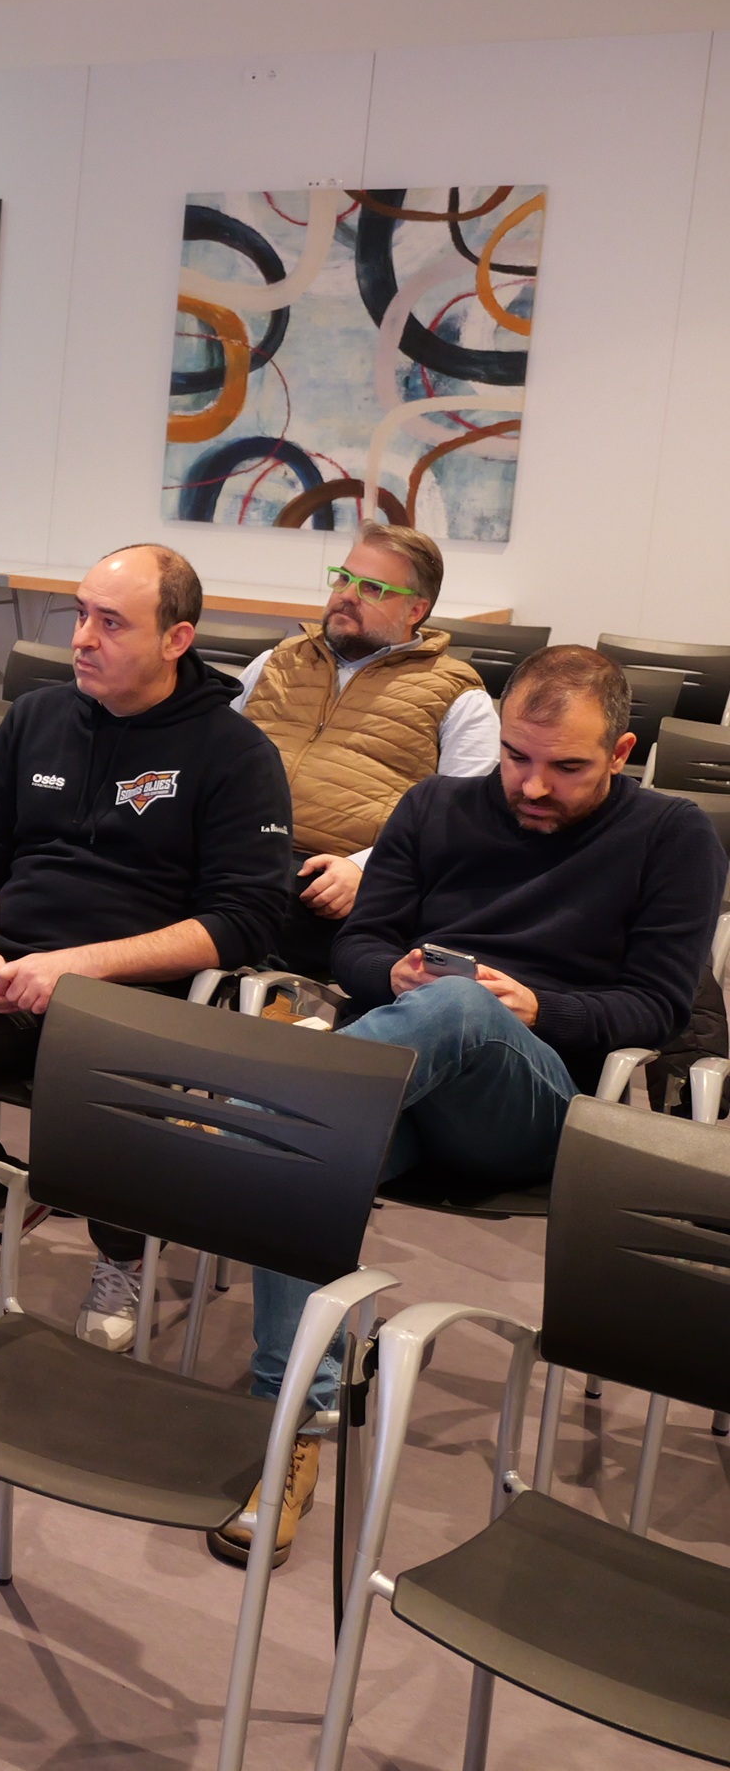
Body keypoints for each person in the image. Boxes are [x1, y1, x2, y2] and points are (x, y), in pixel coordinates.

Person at [218, 647, 728, 1568]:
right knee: (314, 1154)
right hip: (402, 1078)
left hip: (534, 1103)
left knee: (449, 1018)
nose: (533, 785)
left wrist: (541, 1007)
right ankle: (293, 1423)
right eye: (517, 758)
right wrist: (391, 971)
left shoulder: (673, 835)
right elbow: (360, 948)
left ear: (623, 749)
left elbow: (659, 1008)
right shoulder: (434, 807)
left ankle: (268, 1098)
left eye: (566, 767)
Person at [0, 543, 293, 1345]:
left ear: (176, 640)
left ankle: (123, 1255)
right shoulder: (37, 719)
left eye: (110, 622)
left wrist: (77, 967)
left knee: (89, 1076)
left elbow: (243, 922)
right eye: (81, 614)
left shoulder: (235, 754)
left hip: (135, 990)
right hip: (8, 967)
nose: (81, 637)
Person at [230, 525, 496, 979]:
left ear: (417, 609)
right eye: (343, 578)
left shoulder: (458, 698)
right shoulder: (277, 662)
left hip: (332, 883)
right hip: (235, 854)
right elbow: (210, 761)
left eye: (372, 588)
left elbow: (463, 826)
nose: (347, 595)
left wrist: (365, 869)